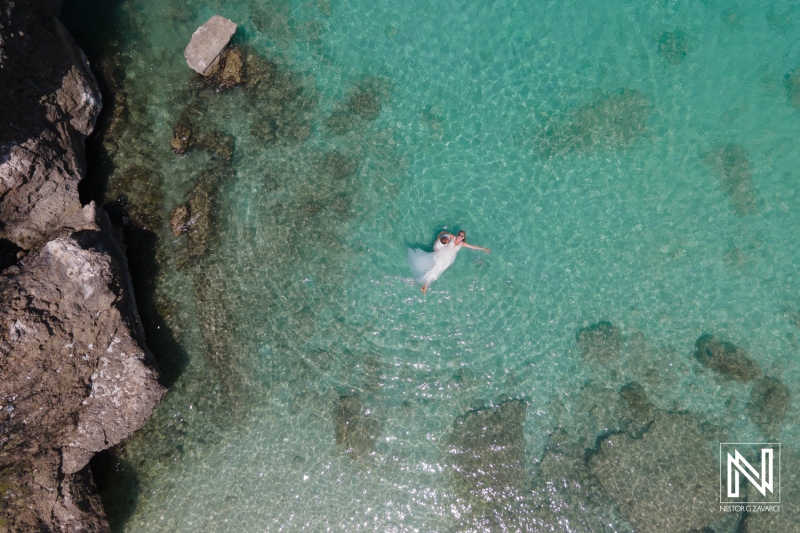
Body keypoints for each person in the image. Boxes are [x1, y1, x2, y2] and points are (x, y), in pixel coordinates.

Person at [406, 230, 490, 294]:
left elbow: (473, 247)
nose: (460, 236)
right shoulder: (452, 237)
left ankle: (425, 285)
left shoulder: (462, 244)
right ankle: (425, 286)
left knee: (436, 269)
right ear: (457, 234)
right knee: (435, 268)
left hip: (448, 260)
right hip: (442, 254)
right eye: (459, 234)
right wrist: (437, 240)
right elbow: (443, 233)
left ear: (463, 238)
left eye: (462, 236)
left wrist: (484, 249)